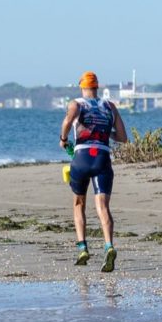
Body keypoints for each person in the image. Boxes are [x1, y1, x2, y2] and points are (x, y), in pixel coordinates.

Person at [59, 71, 128, 272]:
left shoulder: (76, 104)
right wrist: (104, 132)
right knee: (103, 206)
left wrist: (63, 139)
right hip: (102, 157)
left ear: (82, 86)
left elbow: (66, 122)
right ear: (96, 87)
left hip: (81, 158)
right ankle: (109, 246)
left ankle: (83, 248)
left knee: (78, 203)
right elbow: (123, 137)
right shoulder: (110, 106)